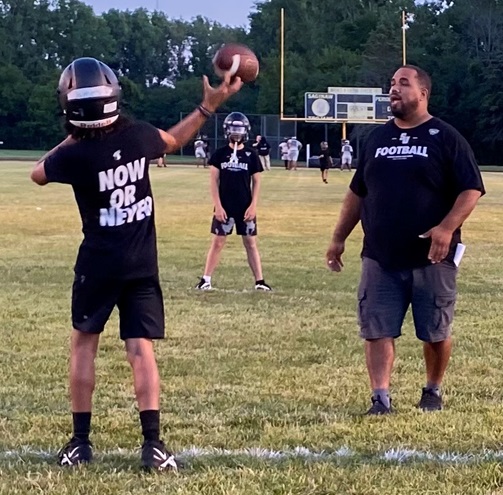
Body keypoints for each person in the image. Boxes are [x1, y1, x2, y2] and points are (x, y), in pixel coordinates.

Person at [30, 57, 242, 469]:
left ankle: (80, 441)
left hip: (97, 263)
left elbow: (37, 173)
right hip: (142, 263)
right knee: (140, 349)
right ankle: (152, 444)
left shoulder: (75, 156)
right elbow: (174, 140)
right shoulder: (138, 137)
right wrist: (207, 106)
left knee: (83, 345)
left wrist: (75, 133)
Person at [325, 64, 484, 415]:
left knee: (435, 332)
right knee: (376, 328)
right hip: (380, 255)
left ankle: (432, 389)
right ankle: (380, 398)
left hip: (431, 256)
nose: (393, 89)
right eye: (391, 83)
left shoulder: (445, 137)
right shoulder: (377, 139)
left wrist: (445, 228)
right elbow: (357, 193)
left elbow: (471, 189)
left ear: (422, 93)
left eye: (403, 83)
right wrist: (338, 238)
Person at [195, 112, 272, 292]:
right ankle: (206, 279)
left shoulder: (251, 154)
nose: (236, 133)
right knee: (218, 242)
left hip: (245, 206)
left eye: (239, 129)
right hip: (225, 205)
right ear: (227, 130)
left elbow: (257, 182)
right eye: (233, 129)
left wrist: (253, 206)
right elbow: (214, 181)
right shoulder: (220, 154)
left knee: (251, 243)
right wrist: (218, 206)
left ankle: (259, 281)